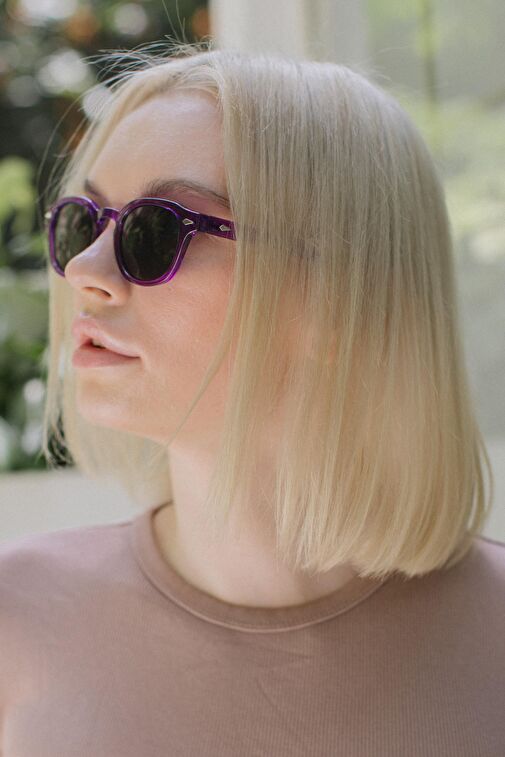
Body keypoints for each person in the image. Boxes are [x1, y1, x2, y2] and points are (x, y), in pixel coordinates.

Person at [0, 41, 503, 756]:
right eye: (85, 221)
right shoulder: (16, 623)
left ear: (337, 298)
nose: (83, 269)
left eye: (155, 230)